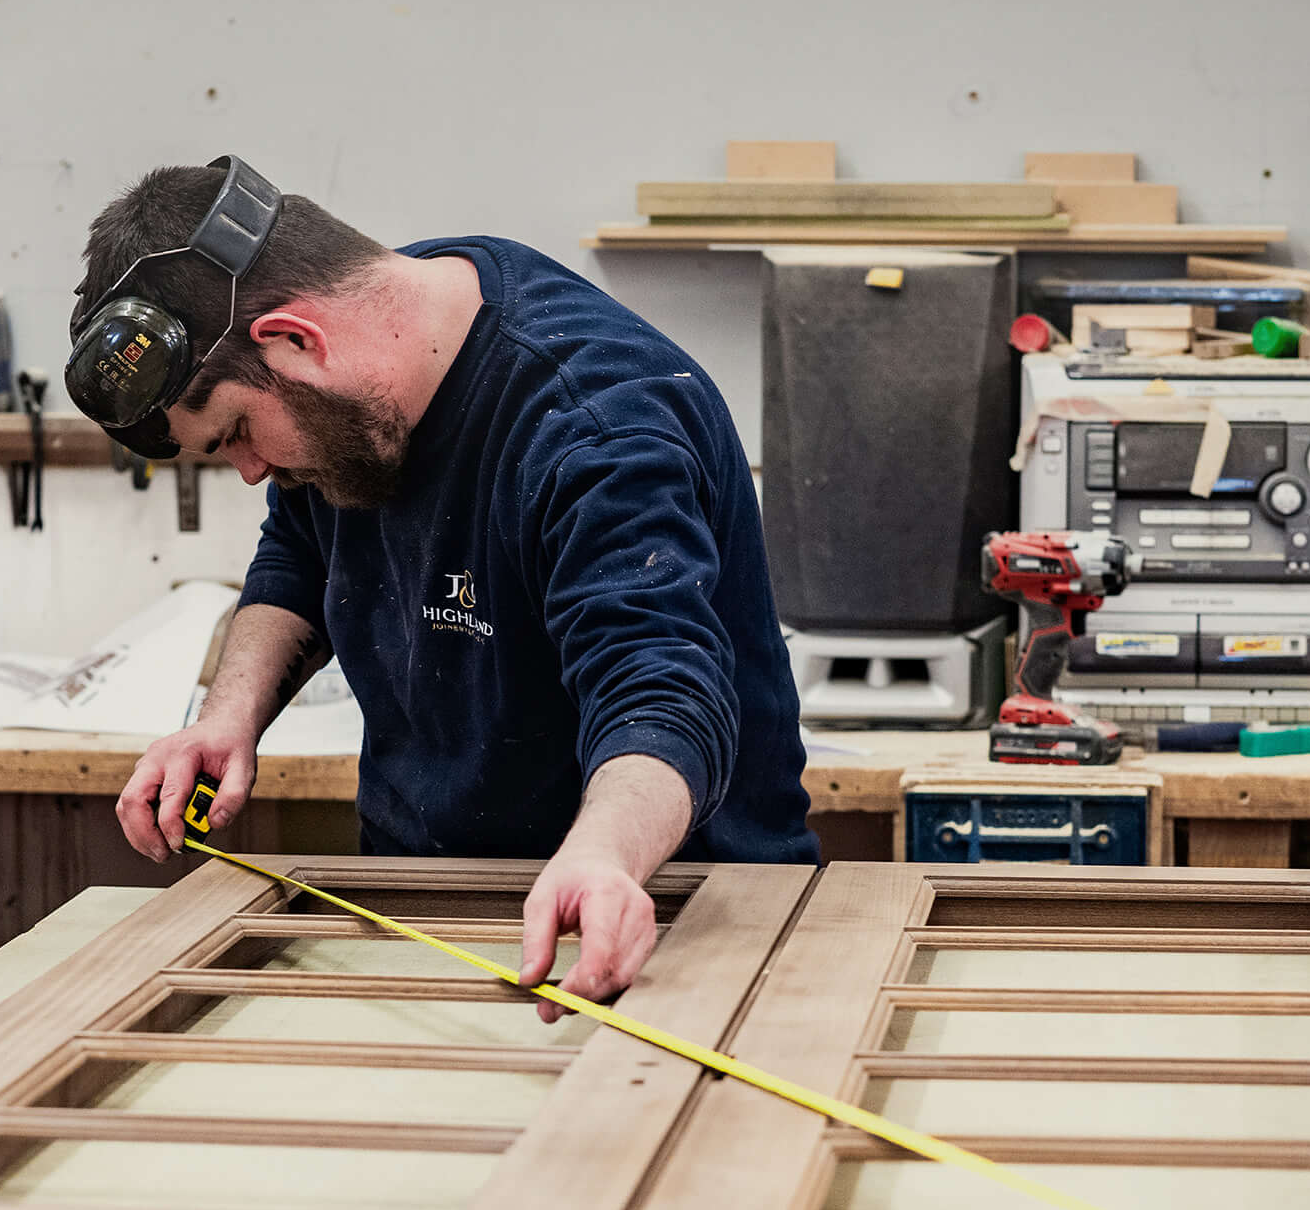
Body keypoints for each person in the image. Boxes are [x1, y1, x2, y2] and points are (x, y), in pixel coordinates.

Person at [65, 157, 815, 1008]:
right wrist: (226, 718)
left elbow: (662, 689)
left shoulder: (595, 421)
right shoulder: (359, 367)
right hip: (430, 903)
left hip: (664, 908)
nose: (249, 470)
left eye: (236, 431)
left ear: (295, 339)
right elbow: (299, 551)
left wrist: (605, 856)